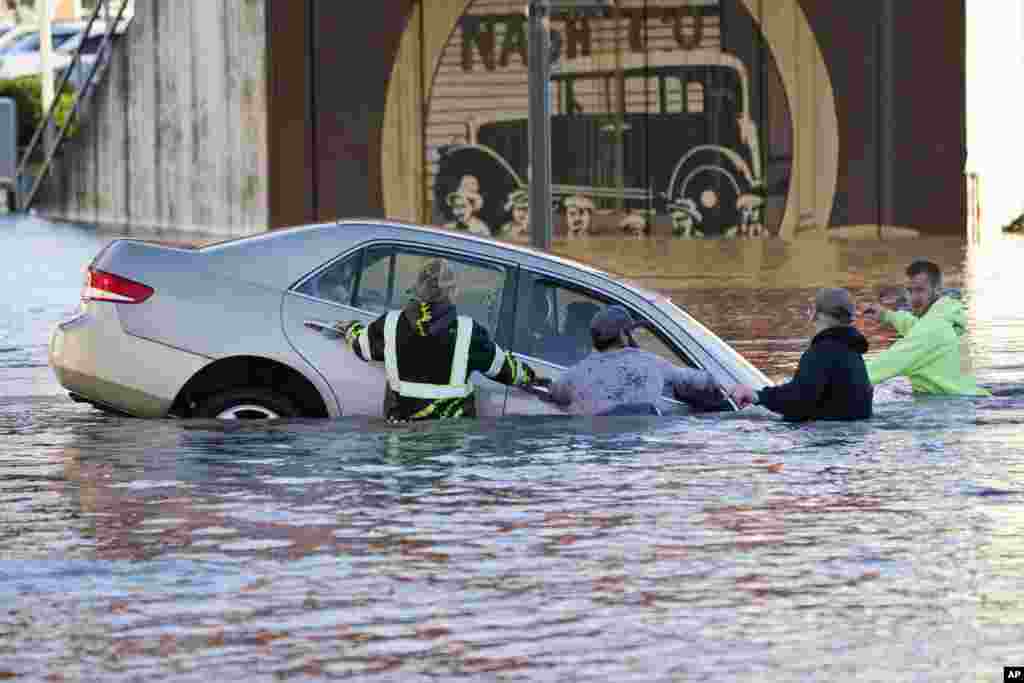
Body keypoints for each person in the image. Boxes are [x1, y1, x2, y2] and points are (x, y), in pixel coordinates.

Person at [335, 259, 545, 422]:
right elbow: (507, 370)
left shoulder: (390, 324)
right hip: (451, 449)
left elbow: (361, 346)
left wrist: (350, 328)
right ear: (452, 292)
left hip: (400, 442)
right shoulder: (468, 332)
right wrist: (535, 379)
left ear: (416, 287)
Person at [546, 305, 727, 416]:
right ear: (623, 336)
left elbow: (553, 392)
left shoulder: (575, 375)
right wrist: (732, 389)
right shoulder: (651, 363)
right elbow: (700, 382)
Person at [731, 288, 873, 421]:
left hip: (826, 439)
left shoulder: (821, 352)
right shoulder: (853, 351)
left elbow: (799, 399)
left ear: (816, 315)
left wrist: (757, 396)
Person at [862, 260, 990, 396]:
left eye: (920, 290)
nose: (913, 298)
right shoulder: (946, 316)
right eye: (910, 291)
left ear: (937, 289)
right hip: (968, 402)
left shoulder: (930, 330)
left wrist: (843, 377)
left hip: (950, 408)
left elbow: (881, 366)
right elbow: (919, 330)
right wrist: (886, 315)